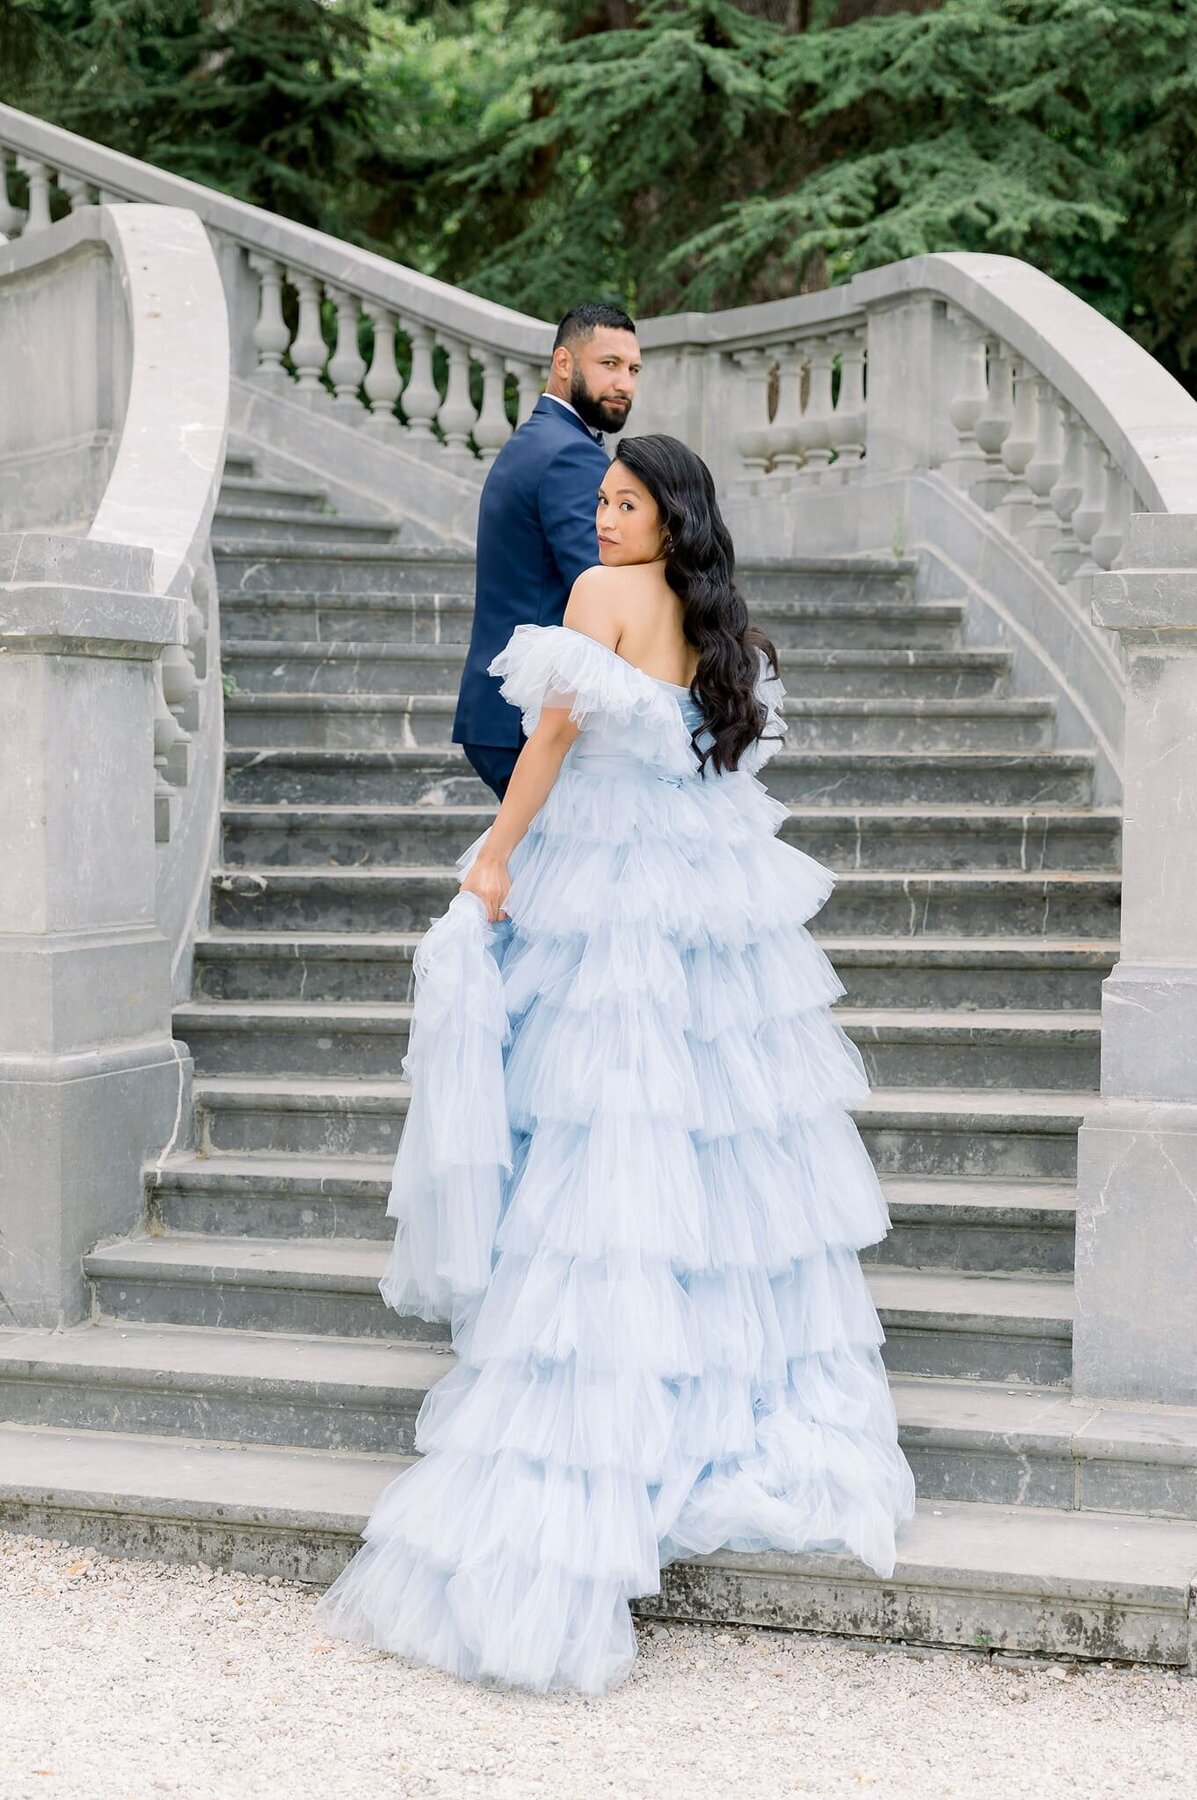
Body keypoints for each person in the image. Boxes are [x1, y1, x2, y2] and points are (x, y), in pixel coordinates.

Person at [315, 434, 915, 1693]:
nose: (601, 522)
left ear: (669, 514)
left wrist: (492, 857)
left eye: (625, 503)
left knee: (607, 1140)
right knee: (713, 1149)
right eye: (598, 503)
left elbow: (546, 744)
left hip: (614, 898)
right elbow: (718, 770)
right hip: (707, 897)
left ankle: (595, 1433)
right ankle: (712, 1394)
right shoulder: (721, 627)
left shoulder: (597, 603)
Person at [451, 301, 641, 800]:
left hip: (507, 710)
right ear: (563, 364)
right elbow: (599, 579)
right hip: (527, 717)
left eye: (633, 369)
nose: (624, 382)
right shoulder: (569, 454)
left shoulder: (540, 441)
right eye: (609, 365)